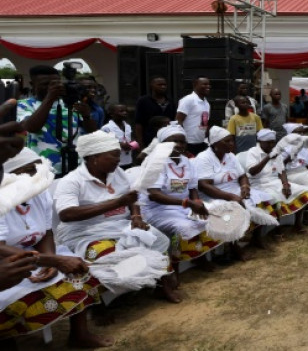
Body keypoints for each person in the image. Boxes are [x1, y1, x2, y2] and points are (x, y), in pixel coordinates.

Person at [0, 149, 110, 347]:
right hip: (7, 264)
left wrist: (49, 258)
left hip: (37, 255)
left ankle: (80, 334)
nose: (35, 175)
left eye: (36, 168)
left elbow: (46, 232)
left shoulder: (38, 193)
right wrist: (52, 261)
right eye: (27, 171)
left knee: (79, 269)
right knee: (24, 300)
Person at [54, 131, 177, 302]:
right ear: (94, 157)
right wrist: (116, 203)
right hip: (86, 232)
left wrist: (135, 216)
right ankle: (101, 302)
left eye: (118, 155)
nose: (118, 160)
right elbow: (66, 214)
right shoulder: (72, 181)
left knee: (155, 239)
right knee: (106, 252)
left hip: (120, 224)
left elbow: (132, 196)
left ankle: (161, 284)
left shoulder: (117, 172)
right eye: (113, 155)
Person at [140, 126, 217, 275]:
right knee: (186, 227)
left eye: (182, 142)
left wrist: (197, 203)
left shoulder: (186, 161)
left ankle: (198, 256)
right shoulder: (154, 162)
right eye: (174, 141)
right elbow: (154, 195)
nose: (179, 145)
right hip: (156, 210)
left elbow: (193, 188)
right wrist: (188, 203)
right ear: (162, 143)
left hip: (183, 206)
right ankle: (173, 267)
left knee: (210, 220)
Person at [194, 127, 273, 251]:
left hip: (234, 189)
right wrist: (230, 197)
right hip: (213, 195)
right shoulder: (203, 158)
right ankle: (233, 247)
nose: (232, 144)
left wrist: (245, 187)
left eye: (232, 141)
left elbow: (242, 175)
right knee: (231, 212)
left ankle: (255, 238)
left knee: (260, 202)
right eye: (227, 141)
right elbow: (204, 185)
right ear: (215, 144)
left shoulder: (230, 156)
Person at [17, 65, 97, 177]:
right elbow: (31, 127)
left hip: (75, 166)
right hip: (43, 169)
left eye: (56, 83)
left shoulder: (70, 103)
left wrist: (87, 116)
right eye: (45, 84)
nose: (52, 87)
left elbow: (93, 133)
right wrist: (50, 97)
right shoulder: (23, 105)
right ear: (32, 85)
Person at [245, 129, 308, 235]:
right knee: (275, 198)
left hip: (274, 182)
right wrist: (268, 158)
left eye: (273, 142)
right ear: (260, 142)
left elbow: (281, 171)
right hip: (259, 184)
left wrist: (285, 184)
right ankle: (276, 230)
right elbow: (252, 172)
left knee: (301, 191)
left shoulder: (276, 151)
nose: (271, 145)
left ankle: (297, 225)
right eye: (268, 142)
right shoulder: (253, 152)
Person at [134, 76, 177, 148]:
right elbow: (138, 123)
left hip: (167, 139)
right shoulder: (143, 101)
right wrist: (140, 143)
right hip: (149, 140)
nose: (163, 87)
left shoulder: (170, 102)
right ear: (152, 86)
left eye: (164, 85)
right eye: (159, 85)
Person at [176, 77, 211, 156]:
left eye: (209, 84)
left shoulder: (206, 103)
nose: (208, 86)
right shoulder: (188, 100)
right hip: (188, 143)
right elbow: (179, 120)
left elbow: (205, 123)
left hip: (202, 142)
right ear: (195, 85)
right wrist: (181, 142)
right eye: (205, 84)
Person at [101, 104, 136, 170]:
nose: (125, 113)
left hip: (128, 160)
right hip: (115, 162)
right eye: (121, 111)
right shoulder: (107, 128)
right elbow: (104, 143)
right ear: (111, 114)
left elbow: (132, 140)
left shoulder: (128, 126)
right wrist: (120, 145)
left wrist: (132, 145)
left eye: (126, 111)